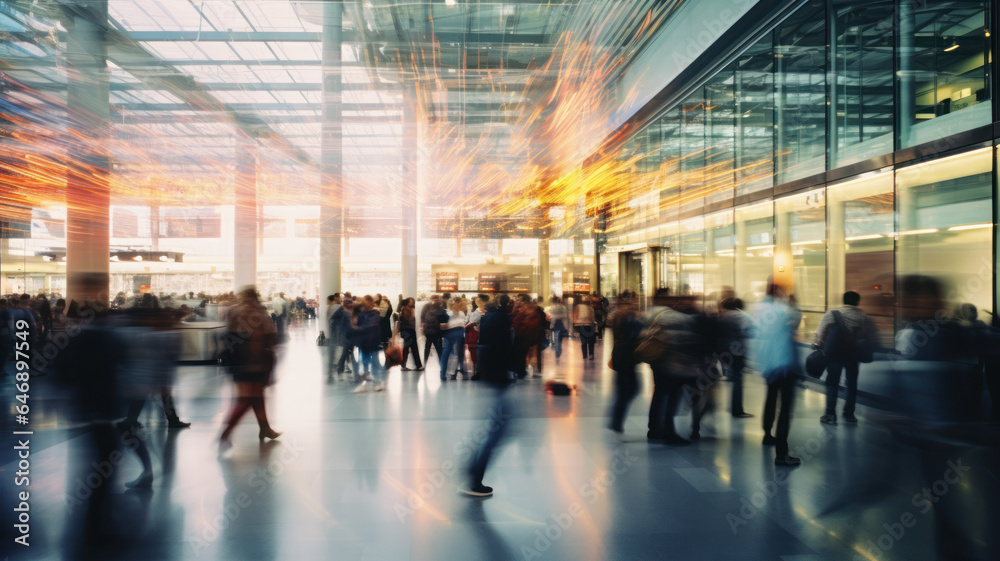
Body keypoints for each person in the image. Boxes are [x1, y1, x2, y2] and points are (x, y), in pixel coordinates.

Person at [461, 295, 515, 497]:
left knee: (492, 430)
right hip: (498, 379)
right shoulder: (501, 318)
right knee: (495, 432)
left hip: (492, 377)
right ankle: (474, 478)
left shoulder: (489, 316)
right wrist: (512, 370)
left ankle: (472, 473)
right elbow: (505, 347)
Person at [218, 287, 281, 453]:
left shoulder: (235, 311)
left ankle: (265, 428)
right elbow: (261, 338)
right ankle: (225, 432)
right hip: (252, 362)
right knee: (247, 398)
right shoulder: (256, 313)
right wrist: (260, 363)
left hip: (238, 361)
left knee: (257, 396)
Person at [753, 279, 801, 466]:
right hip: (784, 365)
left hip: (768, 365)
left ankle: (767, 434)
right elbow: (794, 321)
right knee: (785, 409)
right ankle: (782, 453)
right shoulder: (781, 311)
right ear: (778, 292)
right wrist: (792, 303)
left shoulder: (757, 309)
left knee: (771, 399)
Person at [813, 291, 877, 425]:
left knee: (832, 383)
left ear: (843, 300)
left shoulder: (833, 313)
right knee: (852, 384)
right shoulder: (862, 316)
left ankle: (830, 414)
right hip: (852, 355)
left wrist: (818, 345)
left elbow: (820, 332)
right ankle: (849, 414)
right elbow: (866, 336)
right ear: (857, 302)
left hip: (835, 354)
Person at [645, 289, 696, 445]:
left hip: (656, 360)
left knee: (659, 393)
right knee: (671, 396)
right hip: (670, 363)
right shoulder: (670, 316)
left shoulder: (649, 314)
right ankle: (668, 431)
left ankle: (654, 427)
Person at [608, 291, 642, 440]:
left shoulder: (618, 315)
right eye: (632, 301)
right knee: (630, 388)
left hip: (622, 357)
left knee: (625, 389)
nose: (634, 304)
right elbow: (633, 335)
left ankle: (615, 421)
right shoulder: (626, 317)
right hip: (625, 357)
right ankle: (616, 421)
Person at [718, 297, 753, 418]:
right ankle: (737, 409)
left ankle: (728, 406)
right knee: (738, 380)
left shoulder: (723, 316)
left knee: (731, 378)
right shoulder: (743, 316)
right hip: (737, 352)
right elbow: (750, 332)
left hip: (723, 351)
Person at [353, 295, 385, 392]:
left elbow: (369, 325)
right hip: (364, 341)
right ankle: (365, 384)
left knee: (375, 362)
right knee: (364, 362)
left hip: (373, 341)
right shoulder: (362, 313)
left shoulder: (374, 313)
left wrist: (359, 327)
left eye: (366, 302)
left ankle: (378, 382)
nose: (364, 303)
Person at [439, 296, 469, 380]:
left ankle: (449, 372)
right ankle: (451, 372)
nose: (457, 305)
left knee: (452, 354)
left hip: (454, 333)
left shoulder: (456, 313)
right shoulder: (451, 313)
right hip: (454, 333)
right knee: (454, 354)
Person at [394, 298, 422, 371]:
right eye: (411, 301)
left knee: (409, 348)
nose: (412, 302)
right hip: (408, 331)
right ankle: (416, 365)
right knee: (409, 348)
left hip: (407, 331)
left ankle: (415, 365)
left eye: (413, 301)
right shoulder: (407, 310)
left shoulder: (405, 309)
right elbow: (409, 321)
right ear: (407, 303)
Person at [421, 294, 444, 366]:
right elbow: (443, 317)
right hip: (437, 329)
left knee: (427, 346)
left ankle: (425, 362)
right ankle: (441, 362)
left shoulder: (426, 306)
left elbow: (422, 316)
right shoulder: (439, 307)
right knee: (439, 348)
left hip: (428, 329)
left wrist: (423, 325)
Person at [573, 294, 597, 360]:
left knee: (583, 341)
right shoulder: (590, 307)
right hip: (589, 325)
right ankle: (591, 354)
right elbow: (592, 317)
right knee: (591, 341)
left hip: (580, 325)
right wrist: (593, 322)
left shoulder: (577, 307)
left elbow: (575, 316)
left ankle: (584, 355)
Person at [546, 295, 568, 365]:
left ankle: (556, 351)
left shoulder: (550, 308)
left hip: (553, 326)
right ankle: (557, 356)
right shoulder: (563, 308)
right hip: (561, 326)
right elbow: (565, 316)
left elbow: (548, 316)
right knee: (559, 342)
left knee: (554, 341)